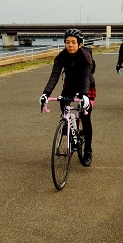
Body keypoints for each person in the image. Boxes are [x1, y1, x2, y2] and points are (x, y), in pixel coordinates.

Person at [39, 28, 96, 166]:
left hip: (86, 86)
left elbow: (86, 76)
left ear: (80, 44)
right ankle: (67, 122)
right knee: (63, 99)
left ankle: (88, 151)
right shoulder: (61, 57)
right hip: (70, 85)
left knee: (85, 117)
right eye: (67, 42)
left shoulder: (85, 56)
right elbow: (54, 76)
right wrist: (46, 93)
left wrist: (84, 95)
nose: (70, 45)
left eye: (73, 42)